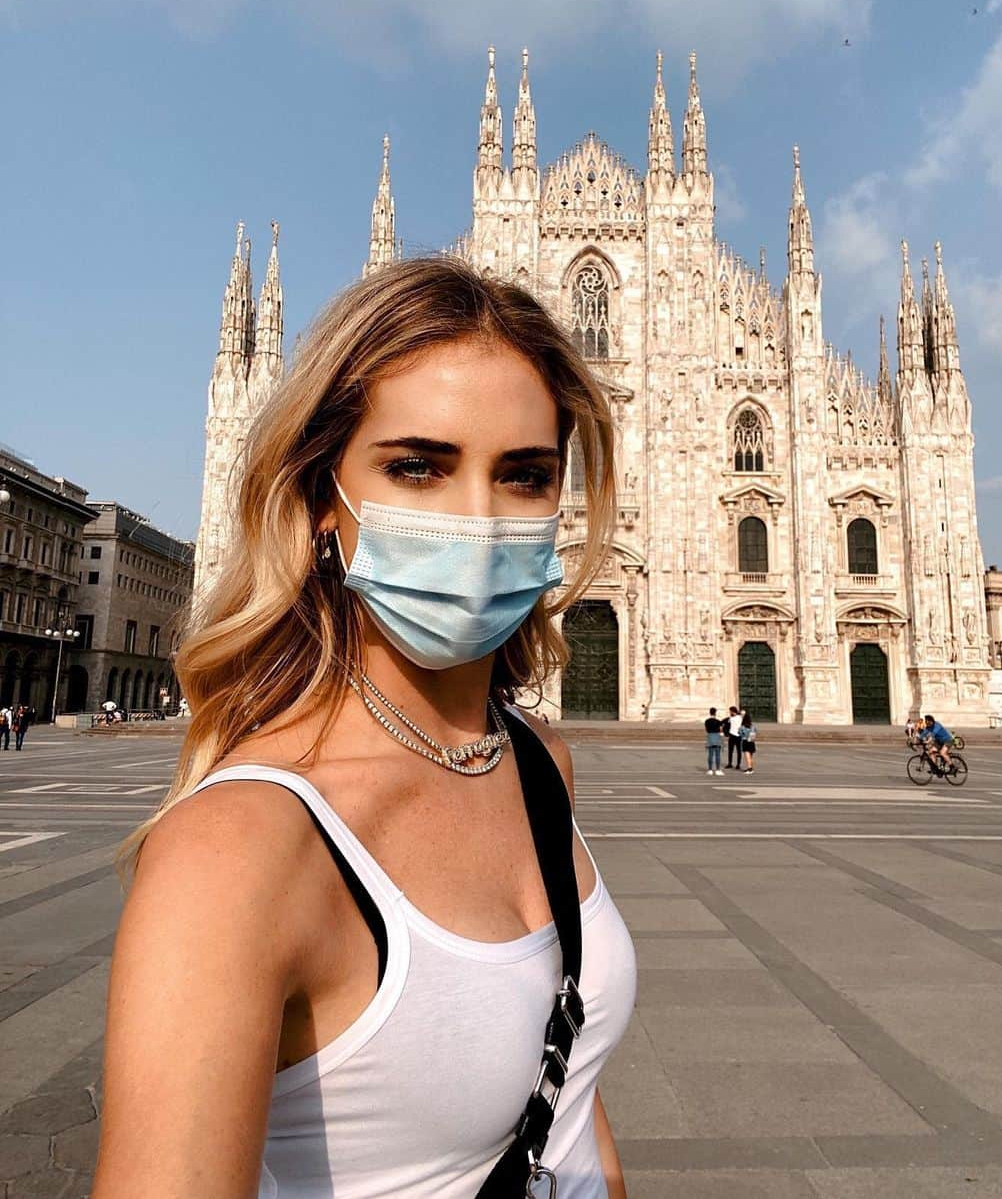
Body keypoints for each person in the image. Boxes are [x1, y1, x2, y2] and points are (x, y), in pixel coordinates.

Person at [91, 258, 637, 1199]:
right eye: (417, 467)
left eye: (526, 474)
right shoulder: (239, 851)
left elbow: (564, 1086)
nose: (477, 520)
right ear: (319, 507)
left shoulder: (539, 764)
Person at [704, 706, 725, 775]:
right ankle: (718, 769)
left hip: (710, 736)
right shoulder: (718, 721)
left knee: (710, 754)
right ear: (715, 713)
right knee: (717, 754)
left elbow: (706, 730)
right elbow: (721, 730)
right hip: (717, 737)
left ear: (710, 713)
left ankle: (710, 769)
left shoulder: (707, 721)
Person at [726, 704, 743, 770]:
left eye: (730, 711)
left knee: (737, 750)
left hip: (737, 735)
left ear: (733, 711)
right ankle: (730, 763)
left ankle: (737, 764)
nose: (730, 712)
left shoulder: (739, 717)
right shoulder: (731, 718)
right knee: (731, 750)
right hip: (733, 735)